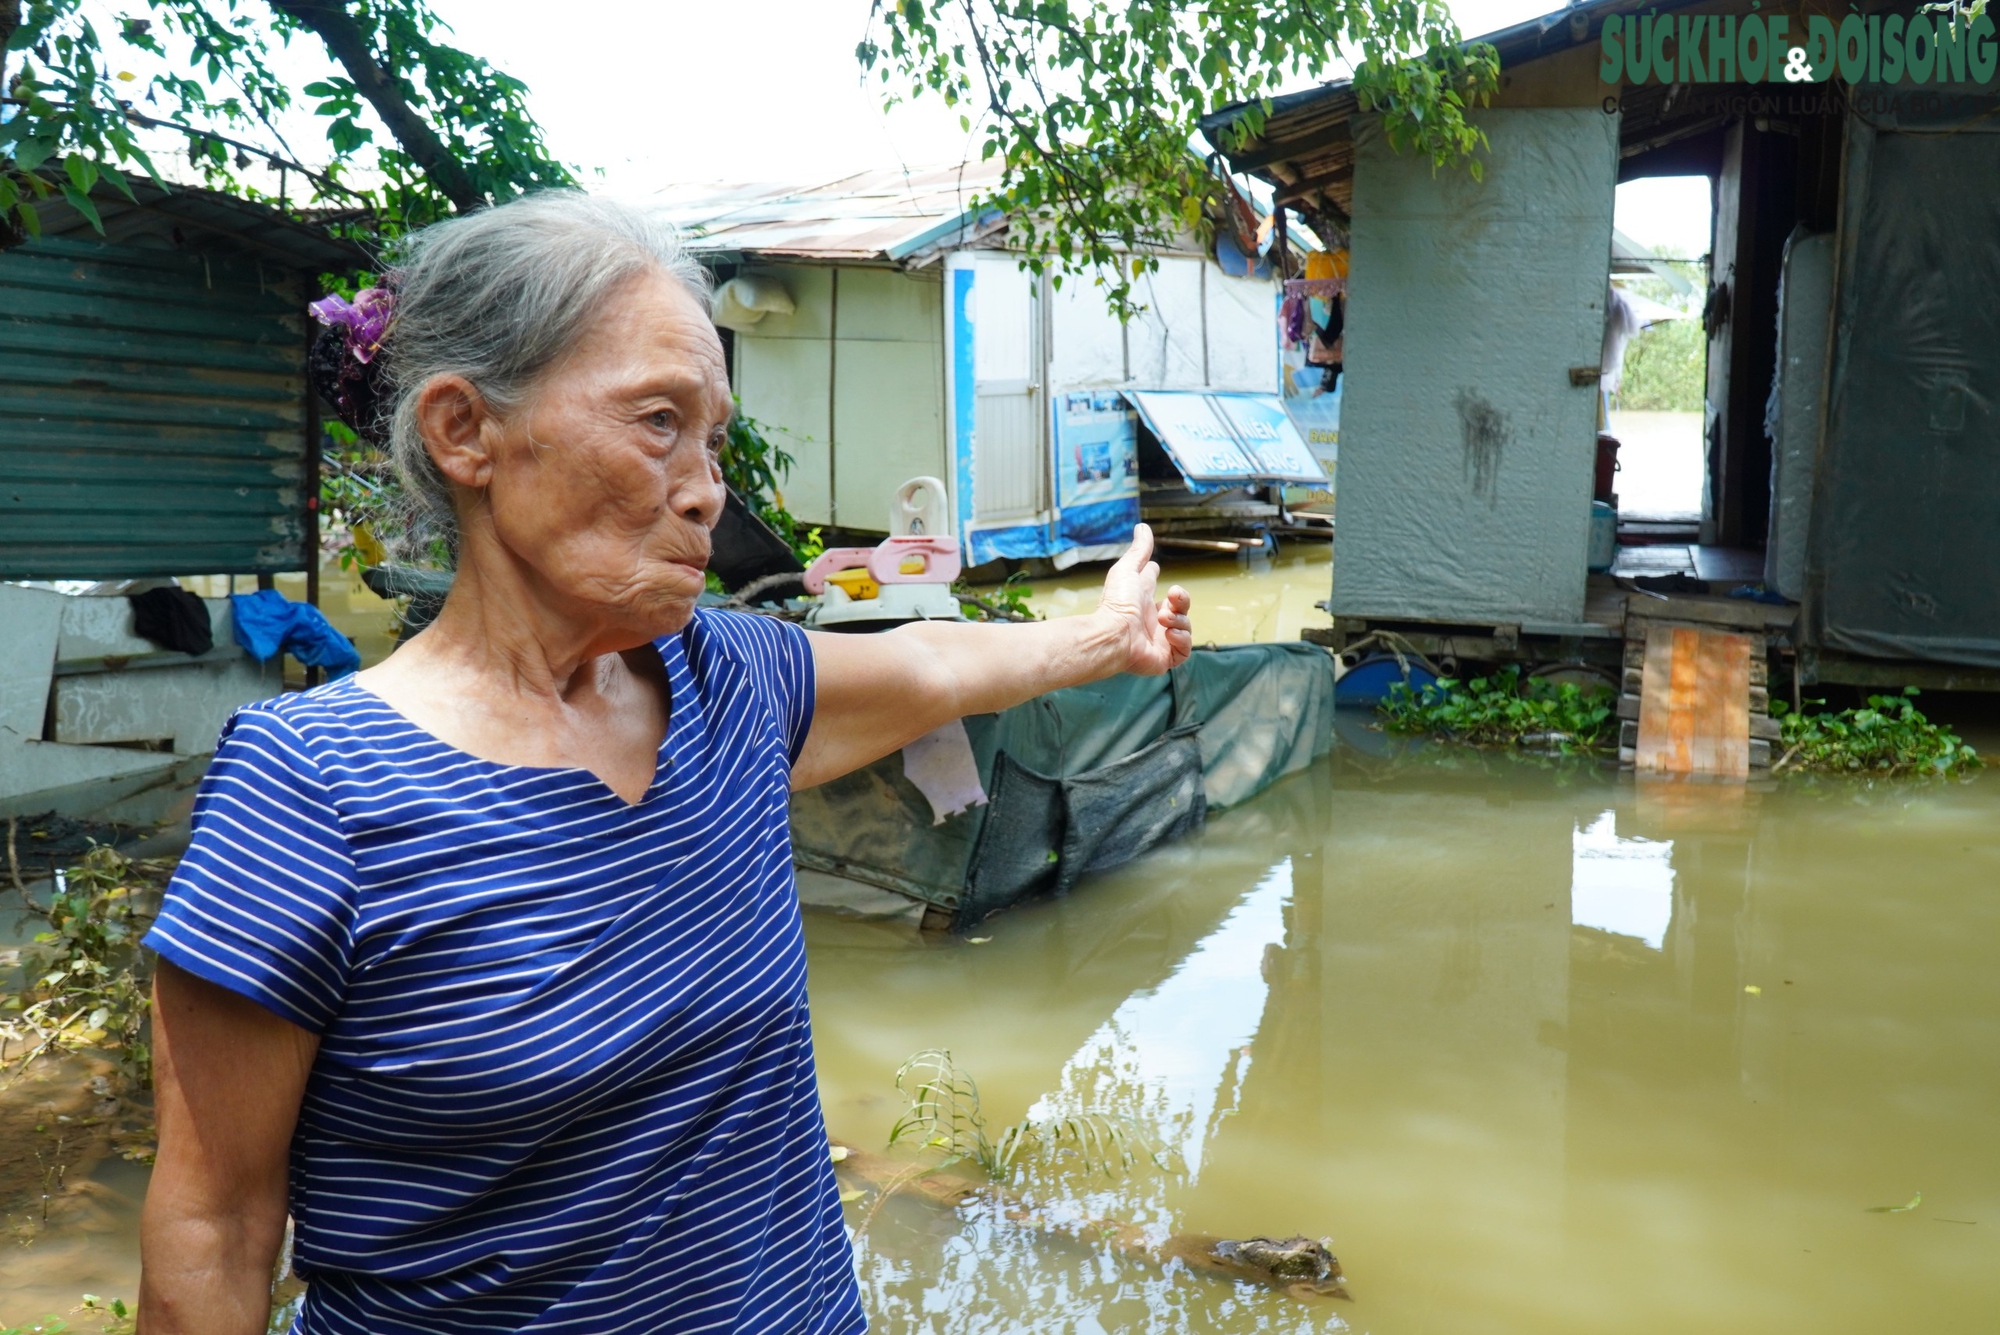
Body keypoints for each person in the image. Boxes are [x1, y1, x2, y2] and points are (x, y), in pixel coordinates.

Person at [135, 193, 1192, 1335]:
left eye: (713, 439)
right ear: (463, 431)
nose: (706, 489)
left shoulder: (722, 686)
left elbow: (927, 664)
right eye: (656, 423)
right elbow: (216, 1225)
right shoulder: (315, 787)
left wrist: (1103, 637)